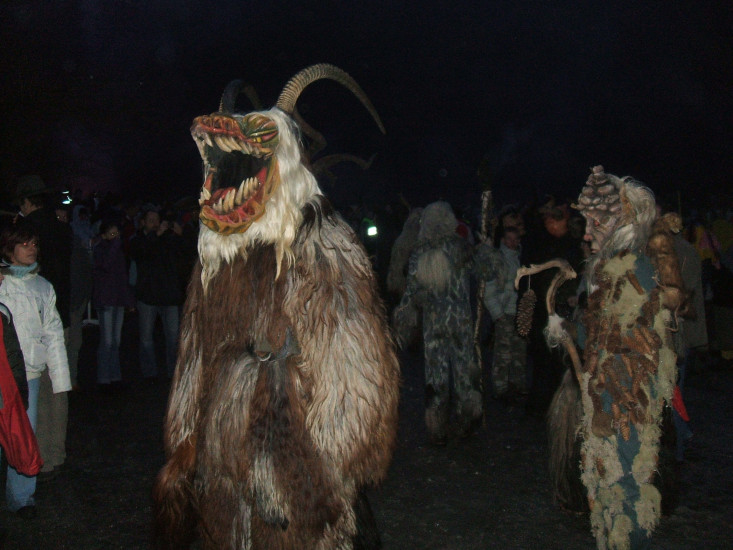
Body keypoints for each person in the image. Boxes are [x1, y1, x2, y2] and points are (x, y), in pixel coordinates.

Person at [567, 166, 684, 549]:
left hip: (625, 404)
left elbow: (628, 347)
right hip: (606, 398)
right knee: (606, 485)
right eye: (586, 223)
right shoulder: (609, 268)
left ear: (621, 223)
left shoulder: (634, 270)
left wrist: (608, 404)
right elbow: (594, 336)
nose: (586, 233)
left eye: (595, 223)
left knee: (627, 488)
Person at [394, 201, 482, 444]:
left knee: (436, 374)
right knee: (464, 370)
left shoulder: (419, 252)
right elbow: (483, 271)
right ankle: (466, 419)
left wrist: (404, 315)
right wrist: (484, 249)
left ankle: (437, 426)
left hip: (434, 323)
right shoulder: (461, 247)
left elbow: (411, 290)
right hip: (461, 321)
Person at [0, 220, 71, 518]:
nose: (31, 249)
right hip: (2, 373)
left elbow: (53, 334)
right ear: (9, 248)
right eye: (24, 244)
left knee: (23, 434)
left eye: (34, 244)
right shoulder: (2, 284)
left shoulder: (43, 287)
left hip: (28, 376)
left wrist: (60, 379)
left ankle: (22, 498)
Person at [14, 175, 73, 477]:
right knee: (56, 387)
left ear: (27, 201)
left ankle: (36, 456)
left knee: (34, 389)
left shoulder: (25, 232)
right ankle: (55, 453)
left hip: (34, 317)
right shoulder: (62, 228)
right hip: (61, 315)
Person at [128, 207, 185, 380]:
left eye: (157, 220)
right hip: (148, 296)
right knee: (146, 338)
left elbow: (184, 256)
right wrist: (156, 235)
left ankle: (173, 373)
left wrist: (180, 236)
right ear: (143, 222)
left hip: (169, 296)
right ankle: (149, 373)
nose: (155, 224)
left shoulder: (168, 238)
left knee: (173, 338)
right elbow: (140, 253)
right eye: (151, 220)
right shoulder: (138, 240)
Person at [483, 226, 527, 402]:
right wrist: (498, 314)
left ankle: (517, 384)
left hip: (519, 313)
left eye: (515, 239)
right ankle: (500, 387)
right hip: (505, 313)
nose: (512, 243)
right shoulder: (497, 260)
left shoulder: (522, 258)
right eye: (509, 239)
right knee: (503, 353)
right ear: (503, 240)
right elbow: (488, 291)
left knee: (519, 351)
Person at [92, 219, 135, 390]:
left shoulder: (118, 251)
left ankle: (115, 376)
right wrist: (115, 245)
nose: (115, 237)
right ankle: (104, 378)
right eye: (111, 233)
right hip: (106, 300)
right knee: (107, 341)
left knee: (116, 341)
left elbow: (123, 277)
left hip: (118, 300)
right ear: (104, 235)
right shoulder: (100, 249)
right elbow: (106, 266)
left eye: (117, 233)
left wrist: (128, 300)